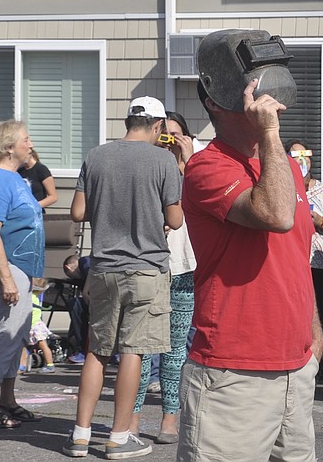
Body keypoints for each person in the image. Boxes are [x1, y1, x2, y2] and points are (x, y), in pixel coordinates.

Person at [179, 29, 323, 462]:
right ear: (215, 100)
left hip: (295, 368)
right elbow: (276, 216)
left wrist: (313, 336)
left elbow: (296, 256)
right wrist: (271, 135)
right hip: (233, 373)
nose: (273, 102)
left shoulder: (282, 168)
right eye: (259, 91)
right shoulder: (207, 166)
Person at [66, 97, 182, 459]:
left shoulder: (96, 155)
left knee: (96, 352)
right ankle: (118, 436)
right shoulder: (163, 160)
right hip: (146, 268)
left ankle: (80, 434)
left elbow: (77, 212)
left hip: (103, 268)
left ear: (128, 121)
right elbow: (176, 220)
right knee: (132, 351)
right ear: (159, 126)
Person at [130, 110, 199, 444]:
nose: (169, 142)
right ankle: (131, 417)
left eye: (177, 135)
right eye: (165, 135)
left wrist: (188, 164)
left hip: (184, 266)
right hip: (148, 265)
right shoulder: (146, 168)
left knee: (175, 352)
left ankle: (170, 418)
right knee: (140, 350)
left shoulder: (197, 168)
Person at [0, 119, 45, 429]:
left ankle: (8, 399)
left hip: (23, 268)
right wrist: (4, 278)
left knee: (17, 335)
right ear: (8, 147)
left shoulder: (18, 179)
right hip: (11, 266)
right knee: (6, 334)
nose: (30, 144)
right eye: (25, 139)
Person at [286, 139, 323, 380]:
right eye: (295, 155)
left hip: (319, 263)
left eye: (306, 155)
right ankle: (293, 361)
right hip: (291, 263)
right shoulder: (284, 188)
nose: (302, 160)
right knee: (292, 314)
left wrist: (317, 219)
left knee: (316, 313)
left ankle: (315, 364)